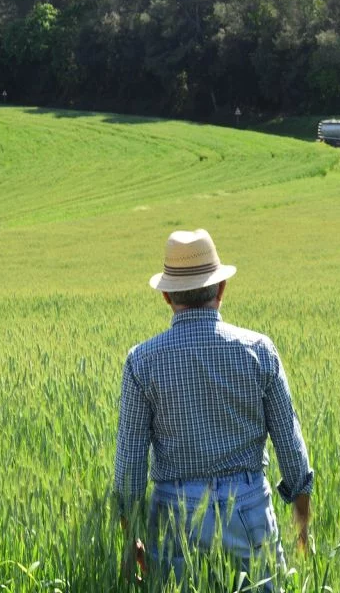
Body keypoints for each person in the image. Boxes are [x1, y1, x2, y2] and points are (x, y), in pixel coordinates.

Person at [112, 229, 314, 589]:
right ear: (221, 290)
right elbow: (292, 450)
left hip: (173, 515)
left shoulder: (141, 362)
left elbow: (129, 469)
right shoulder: (259, 351)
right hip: (248, 508)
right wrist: (302, 530)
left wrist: (132, 538)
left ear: (166, 296)